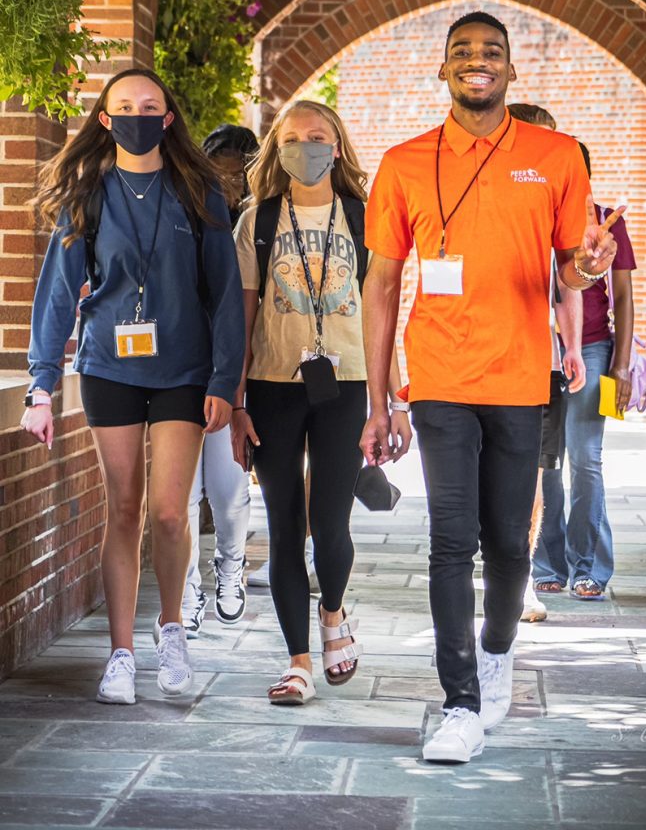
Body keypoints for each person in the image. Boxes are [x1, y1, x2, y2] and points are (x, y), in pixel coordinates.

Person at [360, 11, 623, 764]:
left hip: (518, 376)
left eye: (492, 53)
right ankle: (460, 702)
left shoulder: (554, 156)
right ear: (442, 70)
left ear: (510, 71)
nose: (478, 62)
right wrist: (380, 400)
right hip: (440, 376)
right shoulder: (405, 162)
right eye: (462, 52)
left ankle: (499, 648)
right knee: (451, 538)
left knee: (508, 542)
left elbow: (568, 269)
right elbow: (381, 285)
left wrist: (592, 266)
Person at [21, 69, 244, 704]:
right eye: (125, 107)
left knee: (171, 514)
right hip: (109, 369)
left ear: (168, 118)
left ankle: (170, 628)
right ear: (104, 119)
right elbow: (58, 293)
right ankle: (120, 654)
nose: (138, 115)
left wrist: (225, 379)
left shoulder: (198, 192)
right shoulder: (88, 193)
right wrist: (41, 386)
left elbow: (226, 295)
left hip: (184, 371)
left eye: (150, 106)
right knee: (123, 508)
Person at [231, 99, 411, 704]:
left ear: (337, 147)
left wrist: (394, 399)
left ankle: (332, 613)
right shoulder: (257, 221)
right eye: (292, 139)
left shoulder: (364, 219)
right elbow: (244, 315)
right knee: (283, 524)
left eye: (317, 137)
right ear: (276, 150)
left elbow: (382, 313)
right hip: (272, 388)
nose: (304, 148)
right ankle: (298, 661)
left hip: (348, 383)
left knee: (330, 522)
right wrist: (234, 399)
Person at [533, 142, 636, 600]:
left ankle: (589, 565)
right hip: (537, 347)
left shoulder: (608, 218)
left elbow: (626, 298)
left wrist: (622, 365)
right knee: (544, 463)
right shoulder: (535, 215)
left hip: (593, 348)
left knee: (585, 459)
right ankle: (546, 562)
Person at [507, 103, 586, 623]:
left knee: (533, 477)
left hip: (540, 362)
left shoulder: (559, 204)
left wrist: (574, 347)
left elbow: (568, 280)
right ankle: (483, 564)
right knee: (474, 479)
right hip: (476, 360)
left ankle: (519, 581)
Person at [178, 125, 258, 635]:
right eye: (221, 174)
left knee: (228, 490)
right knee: (181, 492)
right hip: (183, 371)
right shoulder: (188, 216)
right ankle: (184, 587)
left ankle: (231, 566)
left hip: (235, 379)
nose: (229, 187)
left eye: (239, 177)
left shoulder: (258, 226)